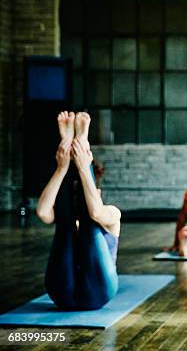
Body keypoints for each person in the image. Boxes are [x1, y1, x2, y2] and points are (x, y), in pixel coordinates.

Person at [36, 111, 120, 311]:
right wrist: (61, 169)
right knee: (65, 223)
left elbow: (95, 213)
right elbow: (42, 212)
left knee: (90, 223)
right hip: (61, 292)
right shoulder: (64, 215)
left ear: (97, 191)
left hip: (99, 291)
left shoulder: (112, 213)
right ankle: (70, 146)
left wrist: (84, 167)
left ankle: (81, 143)